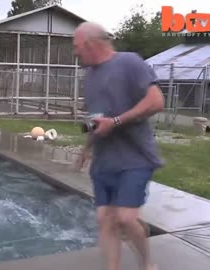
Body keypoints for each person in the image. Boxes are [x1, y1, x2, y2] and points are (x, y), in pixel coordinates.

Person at [73, 22, 165, 270]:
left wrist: (116, 121)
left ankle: (147, 263)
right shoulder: (90, 77)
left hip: (135, 158)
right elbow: (96, 119)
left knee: (125, 217)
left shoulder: (129, 62)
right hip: (104, 161)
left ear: (91, 44)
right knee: (105, 218)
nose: (75, 52)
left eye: (77, 47)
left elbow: (157, 101)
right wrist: (85, 149)